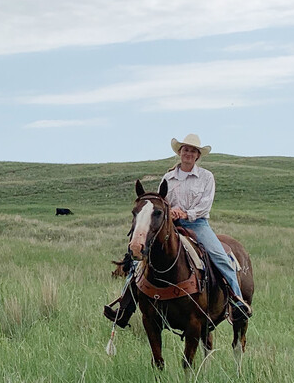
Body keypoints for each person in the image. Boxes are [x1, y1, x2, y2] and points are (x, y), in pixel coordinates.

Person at [104, 133, 252, 327]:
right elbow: (161, 201)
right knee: (139, 262)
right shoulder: (168, 177)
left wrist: (185, 213)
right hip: (170, 226)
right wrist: (168, 212)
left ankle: (236, 301)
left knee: (220, 257)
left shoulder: (206, 177)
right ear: (180, 153)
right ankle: (124, 309)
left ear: (197, 156)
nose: (188, 153)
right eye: (185, 150)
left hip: (197, 224)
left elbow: (205, 206)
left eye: (192, 151)